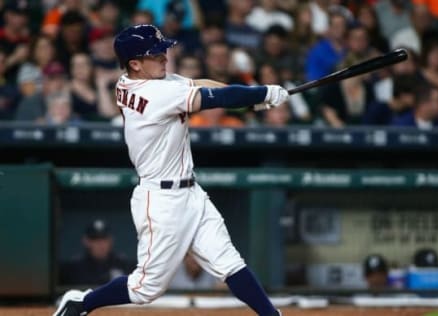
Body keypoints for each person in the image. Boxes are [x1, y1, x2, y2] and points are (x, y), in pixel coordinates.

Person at [53, 24, 288, 316]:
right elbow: (215, 99)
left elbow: (198, 85)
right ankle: (81, 303)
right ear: (135, 64)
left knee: (228, 262)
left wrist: (254, 100)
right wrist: (264, 92)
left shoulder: (131, 82)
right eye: (156, 53)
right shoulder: (155, 95)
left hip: (190, 192)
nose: (165, 56)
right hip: (161, 201)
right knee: (145, 288)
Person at [60, 219, 133, 285]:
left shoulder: (123, 264)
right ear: (86, 241)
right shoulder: (74, 267)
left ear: (111, 240)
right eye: (95, 239)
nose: (100, 244)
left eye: (104, 239)